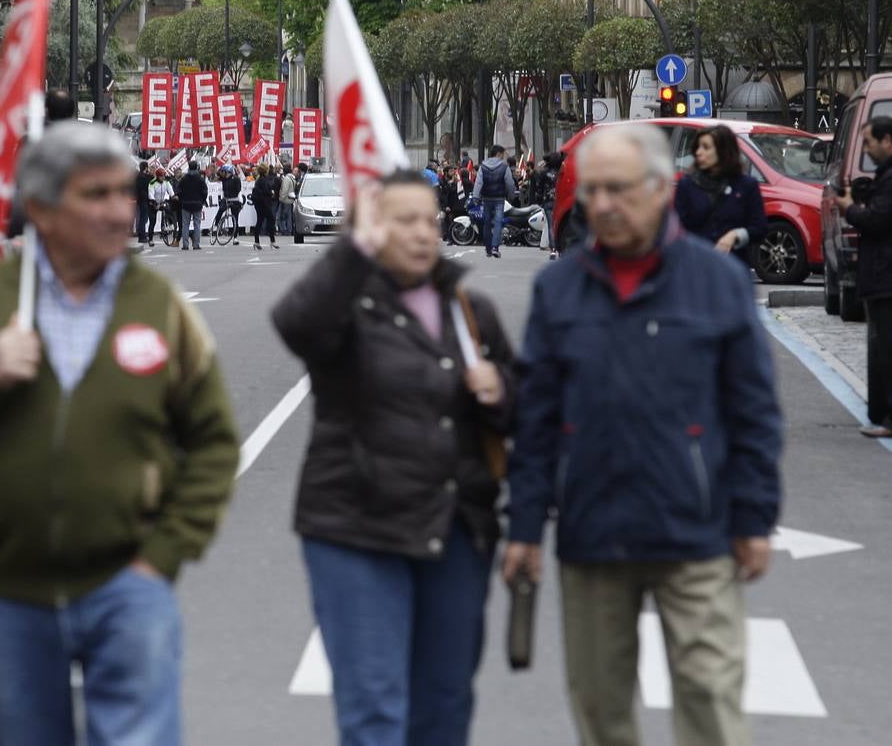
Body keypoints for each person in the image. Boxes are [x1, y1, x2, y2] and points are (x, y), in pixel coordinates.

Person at [0, 121, 240, 746]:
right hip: (8, 593)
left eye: (122, 193)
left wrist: (163, 555)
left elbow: (214, 441)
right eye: (95, 195)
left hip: (128, 589)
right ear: (42, 211)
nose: (118, 211)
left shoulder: (159, 304)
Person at [504, 124, 782, 746]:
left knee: (711, 703)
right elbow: (536, 420)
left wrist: (754, 517)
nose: (601, 204)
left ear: (662, 190)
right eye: (593, 190)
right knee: (602, 713)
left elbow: (755, 414)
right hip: (593, 534)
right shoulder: (558, 287)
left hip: (697, 533)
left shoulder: (718, 284)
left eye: (619, 189)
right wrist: (524, 527)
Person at [272, 170, 515, 745]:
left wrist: (500, 387)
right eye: (401, 220)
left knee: (444, 707)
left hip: (455, 532)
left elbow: (525, 410)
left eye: (427, 220)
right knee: (374, 712)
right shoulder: (345, 307)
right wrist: (353, 248)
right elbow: (296, 324)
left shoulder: (468, 310)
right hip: (356, 529)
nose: (419, 233)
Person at [834, 116, 892, 437]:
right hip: (880, 275)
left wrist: (849, 209)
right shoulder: (884, 177)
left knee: (887, 348)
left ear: (888, 141)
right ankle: (881, 414)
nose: (866, 150)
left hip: (886, 276)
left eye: (869, 142)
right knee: (881, 346)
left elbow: (879, 221)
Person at [673, 126, 766, 271]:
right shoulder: (687, 185)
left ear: (723, 150)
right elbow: (677, 228)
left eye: (706, 147)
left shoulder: (746, 185)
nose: (698, 152)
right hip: (695, 268)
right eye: (698, 147)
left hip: (733, 268)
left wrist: (735, 235)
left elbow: (759, 228)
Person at [472, 146, 516, 258]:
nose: (503, 157)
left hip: (486, 198)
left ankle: (488, 248)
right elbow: (510, 183)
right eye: (502, 154)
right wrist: (511, 195)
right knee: (498, 222)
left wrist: (476, 197)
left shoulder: (483, 167)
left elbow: (478, 183)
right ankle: (495, 247)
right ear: (498, 154)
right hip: (499, 199)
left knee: (487, 223)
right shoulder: (504, 167)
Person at [527, 152, 564, 260]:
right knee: (561, 225)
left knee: (551, 226)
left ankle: (553, 250)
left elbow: (539, 188)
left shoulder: (544, 173)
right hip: (561, 201)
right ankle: (561, 247)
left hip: (548, 201)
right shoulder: (562, 172)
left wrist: (540, 199)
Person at [177, 159, 208, 252]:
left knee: (185, 225)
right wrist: (202, 200)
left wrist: (182, 200)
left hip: (186, 204)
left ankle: (185, 245)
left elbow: (179, 190)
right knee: (197, 224)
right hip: (197, 203)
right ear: (197, 167)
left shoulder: (184, 178)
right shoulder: (200, 178)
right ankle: (196, 244)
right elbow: (205, 191)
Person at [251, 163, 279, 251]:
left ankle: (257, 241)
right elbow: (267, 191)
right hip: (265, 203)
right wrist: (272, 193)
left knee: (259, 221)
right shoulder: (264, 180)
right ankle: (272, 241)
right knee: (271, 220)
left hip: (259, 203)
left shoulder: (258, 180)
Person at [215, 163, 244, 245]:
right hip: (226, 199)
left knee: (235, 218)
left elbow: (238, 189)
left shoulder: (236, 179)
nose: (222, 173)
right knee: (220, 210)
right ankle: (216, 224)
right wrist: (221, 168)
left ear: (228, 172)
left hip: (234, 200)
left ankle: (235, 237)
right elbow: (217, 173)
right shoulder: (223, 179)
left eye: (224, 171)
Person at [147, 166, 174, 247]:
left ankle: (169, 224)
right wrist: (154, 203)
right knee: (153, 221)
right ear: (158, 176)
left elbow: (170, 192)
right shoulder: (152, 183)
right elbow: (150, 194)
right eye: (161, 176)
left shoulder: (166, 182)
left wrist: (172, 196)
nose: (163, 178)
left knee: (169, 209)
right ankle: (151, 239)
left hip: (162, 201)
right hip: (153, 202)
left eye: (163, 176)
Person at [134, 159, 153, 245]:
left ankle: (142, 235)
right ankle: (142, 236)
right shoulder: (142, 177)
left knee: (143, 218)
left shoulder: (139, 176)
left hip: (141, 200)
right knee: (143, 219)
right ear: (146, 167)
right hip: (144, 200)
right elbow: (143, 189)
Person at [277, 163, 297, 236]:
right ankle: (289, 230)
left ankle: (284, 230)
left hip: (285, 200)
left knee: (282, 217)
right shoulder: (292, 178)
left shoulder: (286, 179)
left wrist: (281, 198)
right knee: (289, 217)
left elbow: (285, 190)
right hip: (290, 199)